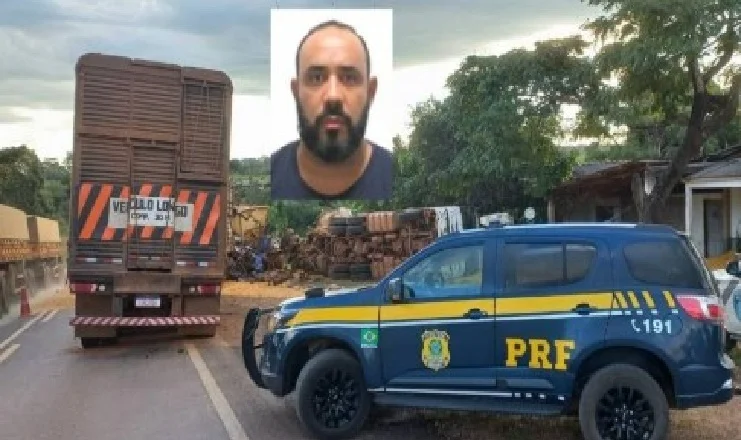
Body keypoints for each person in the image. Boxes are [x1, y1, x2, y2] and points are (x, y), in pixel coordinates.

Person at [270, 19, 393, 201]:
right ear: (296, 92)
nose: (333, 96)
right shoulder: (272, 175)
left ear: (371, 92)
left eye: (349, 78)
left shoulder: (399, 178)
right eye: (317, 78)